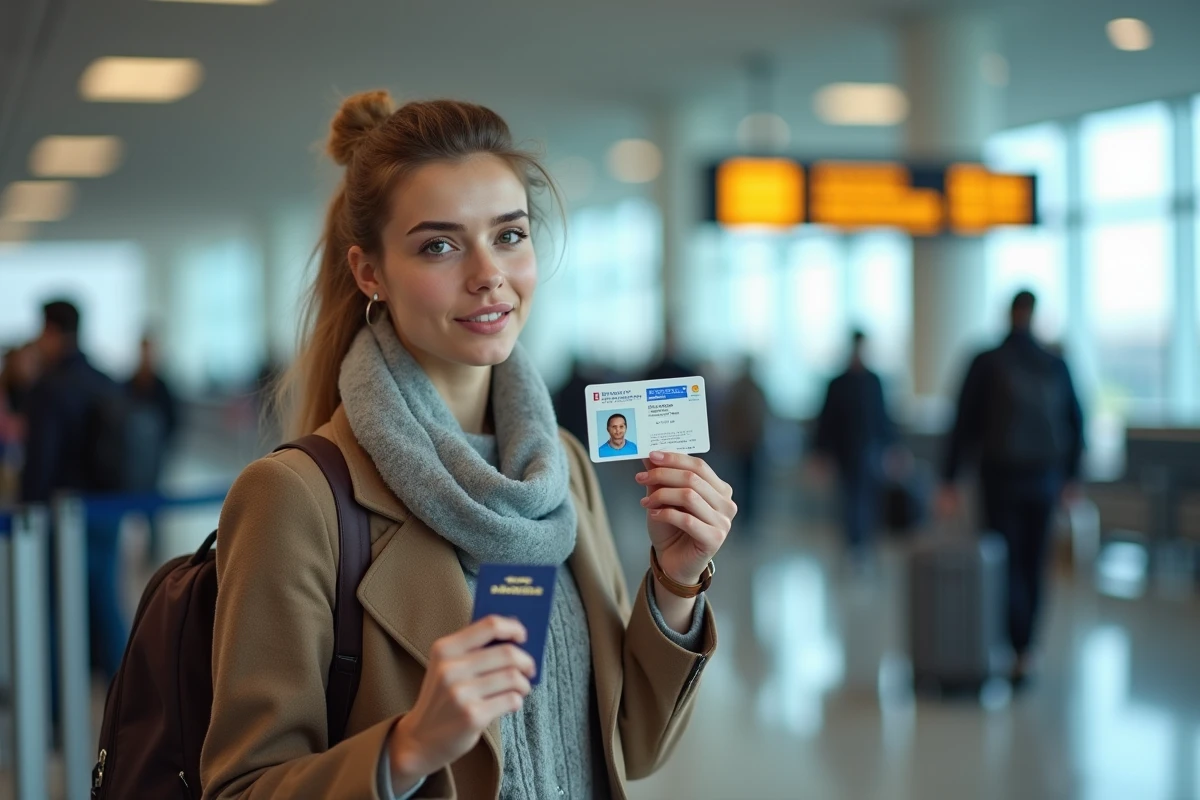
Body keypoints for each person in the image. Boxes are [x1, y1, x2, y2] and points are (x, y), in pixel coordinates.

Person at [200, 91, 735, 800]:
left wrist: (675, 581)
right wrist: (407, 748)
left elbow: (629, 744)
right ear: (370, 273)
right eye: (439, 246)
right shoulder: (297, 498)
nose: (489, 274)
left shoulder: (558, 469)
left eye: (510, 235)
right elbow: (241, 786)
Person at [938, 290, 1084, 687]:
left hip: (999, 477)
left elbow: (962, 422)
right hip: (1045, 479)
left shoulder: (986, 361)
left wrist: (949, 479)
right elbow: (1076, 421)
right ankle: (1027, 648)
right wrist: (1071, 479)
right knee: (1034, 563)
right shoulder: (1054, 362)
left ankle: (1007, 640)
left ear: (1007, 314)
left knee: (1002, 559)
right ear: (1035, 315)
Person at [19, 300, 130, 680]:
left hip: (64, 510)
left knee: (54, 607)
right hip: (106, 508)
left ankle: (51, 706)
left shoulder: (50, 388)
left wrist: (25, 509)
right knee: (105, 600)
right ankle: (125, 692)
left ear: (51, 331)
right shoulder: (104, 378)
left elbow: (41, 460)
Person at [812, 330, 896, 567]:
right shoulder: (838, 383)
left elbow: (884, 417)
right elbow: (826, 420)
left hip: (871, 452)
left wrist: (892, 448)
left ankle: (866, 543)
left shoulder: (874, 381)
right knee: (851, 500)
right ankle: (854, 545)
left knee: (869, 499)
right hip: (845, 452)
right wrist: (820, 453)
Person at [719, 355, 768, 528]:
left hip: (749, 444)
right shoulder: (748, 389)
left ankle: (746, 518)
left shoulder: (746, 389)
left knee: (748, 482)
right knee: (741, 482)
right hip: (743, 444)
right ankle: (741, 517)